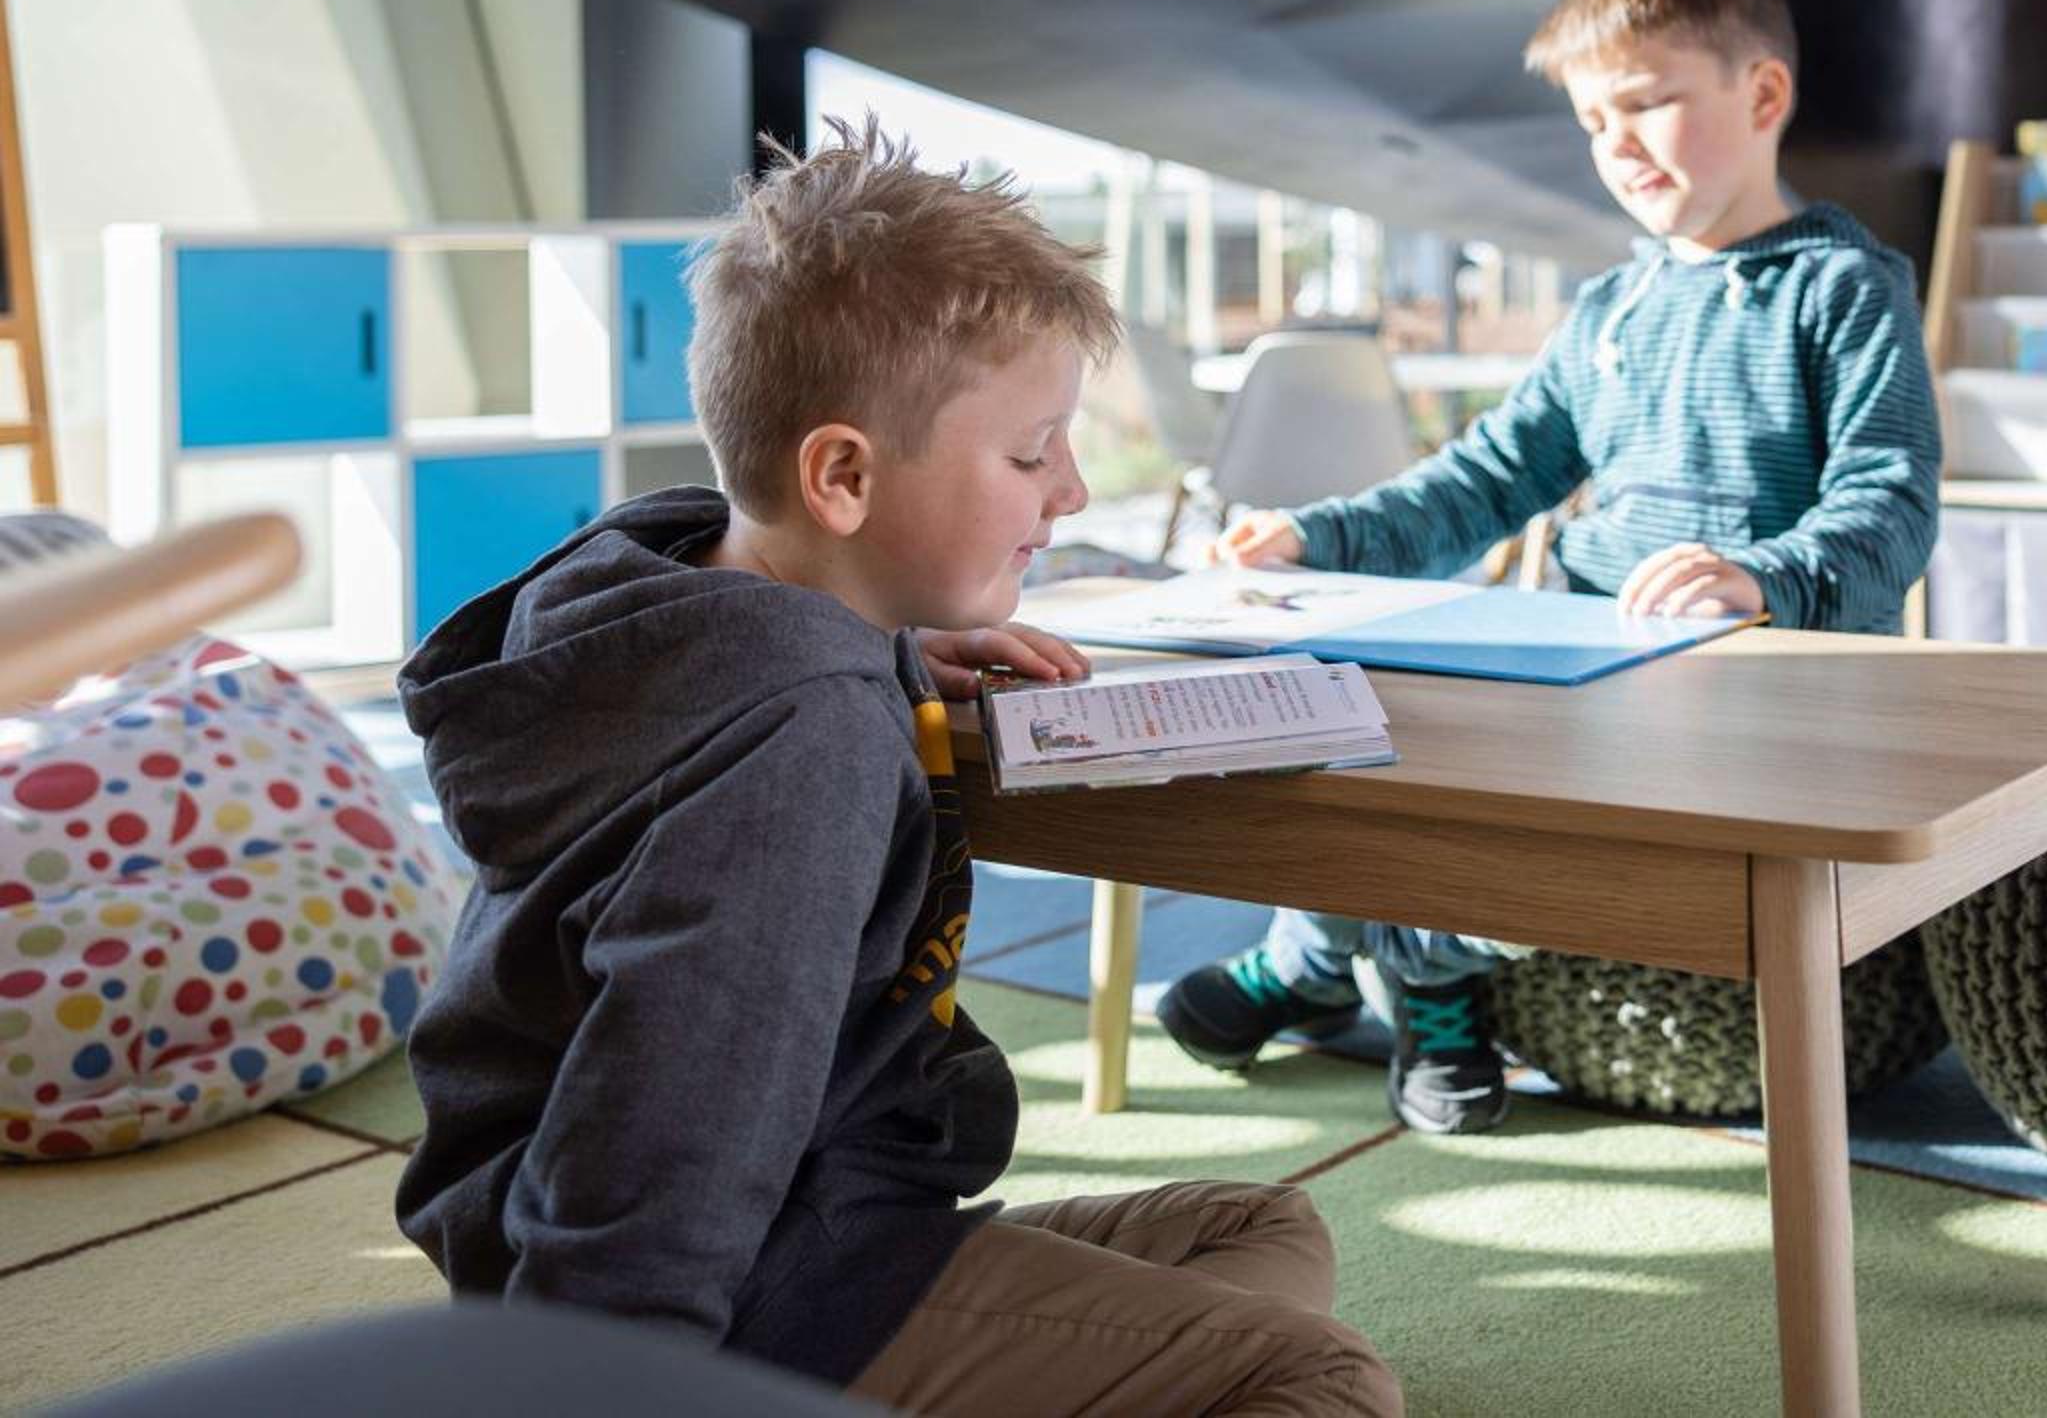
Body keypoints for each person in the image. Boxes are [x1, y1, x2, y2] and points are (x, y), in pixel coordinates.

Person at [395, 124, 1400, 1417]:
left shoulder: (680, 616)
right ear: (843, 476)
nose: (1072, 490)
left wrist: (886, 643)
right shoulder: (800, 748)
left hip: (796, 1206)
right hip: (723, 1283)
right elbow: (676, 1114)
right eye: (1031, 454)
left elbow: (761, 658)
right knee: (1319, 1373)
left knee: (1261, 1228)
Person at [1158, 0, 1942, 1135]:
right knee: (1356, 725)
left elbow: (1892, 504)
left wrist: (1761, 576)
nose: (1616, 144)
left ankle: (1371, 976)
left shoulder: (1846, 288)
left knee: (1530, 819)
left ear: (1762, 95)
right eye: (1591, 120)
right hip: (1582, 667)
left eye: (1647, 103)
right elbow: (1483, 481)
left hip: (1761, 686)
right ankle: (1330, 965)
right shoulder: (1611, 306)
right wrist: (1313, 538)